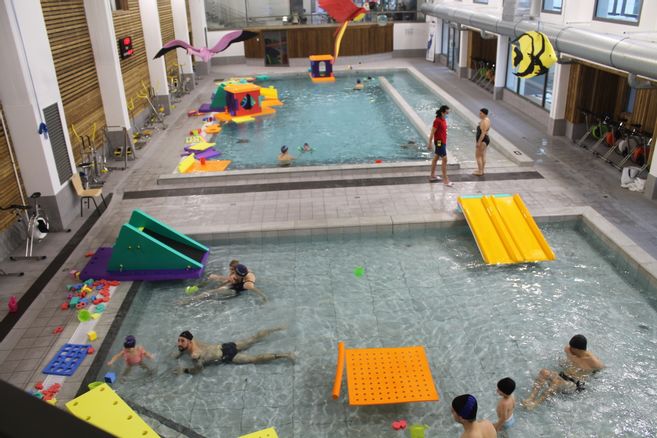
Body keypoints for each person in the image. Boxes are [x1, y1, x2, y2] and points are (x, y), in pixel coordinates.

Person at [522, 334, 604, 410]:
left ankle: (536, 404)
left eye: (572, 348)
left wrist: (587, 377)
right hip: (564, 376)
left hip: (575, 384)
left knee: (557, 382)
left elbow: (600, 372)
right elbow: (566, 362)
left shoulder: (594, 362)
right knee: (544, 372)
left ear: (577, 349)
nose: (569, 349)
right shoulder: (568, 350)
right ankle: (530, 398)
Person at [174, 327, 294, 374]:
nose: (179, 343)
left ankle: (286, 355)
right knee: (254, 339)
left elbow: (198, 370)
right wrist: (180, 352)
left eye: (182, 341)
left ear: (189, 342)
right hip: (226, 346)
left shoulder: (195, 355)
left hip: (228, 356)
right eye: (179, 340)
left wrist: (184, 370)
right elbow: (187, 342)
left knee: (255, 359)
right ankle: (278, 328)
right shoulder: (193, 340)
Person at [183, 263, 267, 304]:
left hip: (235, 291)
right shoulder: (240, 273)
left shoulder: (248, 283)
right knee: (213, 278)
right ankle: (197, 288)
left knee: (210, 293)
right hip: (234, 285)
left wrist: (264, 298)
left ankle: (189, 301)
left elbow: (256, 290)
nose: (233, 273)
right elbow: (230, 280)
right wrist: (221, 284)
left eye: (234, 273)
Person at [427, 105, 453, 186]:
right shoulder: (437, 121)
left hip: (443, 142)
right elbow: (432, 132)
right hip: (439, 142)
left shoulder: (443, 120)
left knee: (436, 158)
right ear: (442, 112)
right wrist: (430, 142)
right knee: (445, 159)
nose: (448, 114)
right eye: (447, 113)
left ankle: (432, 176)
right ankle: (446, 180)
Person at [474, 108, 491, 176]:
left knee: (478, 156)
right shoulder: (487, 119)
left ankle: (480, 171)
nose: (479, 114)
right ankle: (481, 170)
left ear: (484, 114)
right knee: (483, 155)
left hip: (483, 140)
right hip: (486, 139)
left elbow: (483, 133)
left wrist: (478, 142)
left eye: (481, 113)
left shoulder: (484, 121)